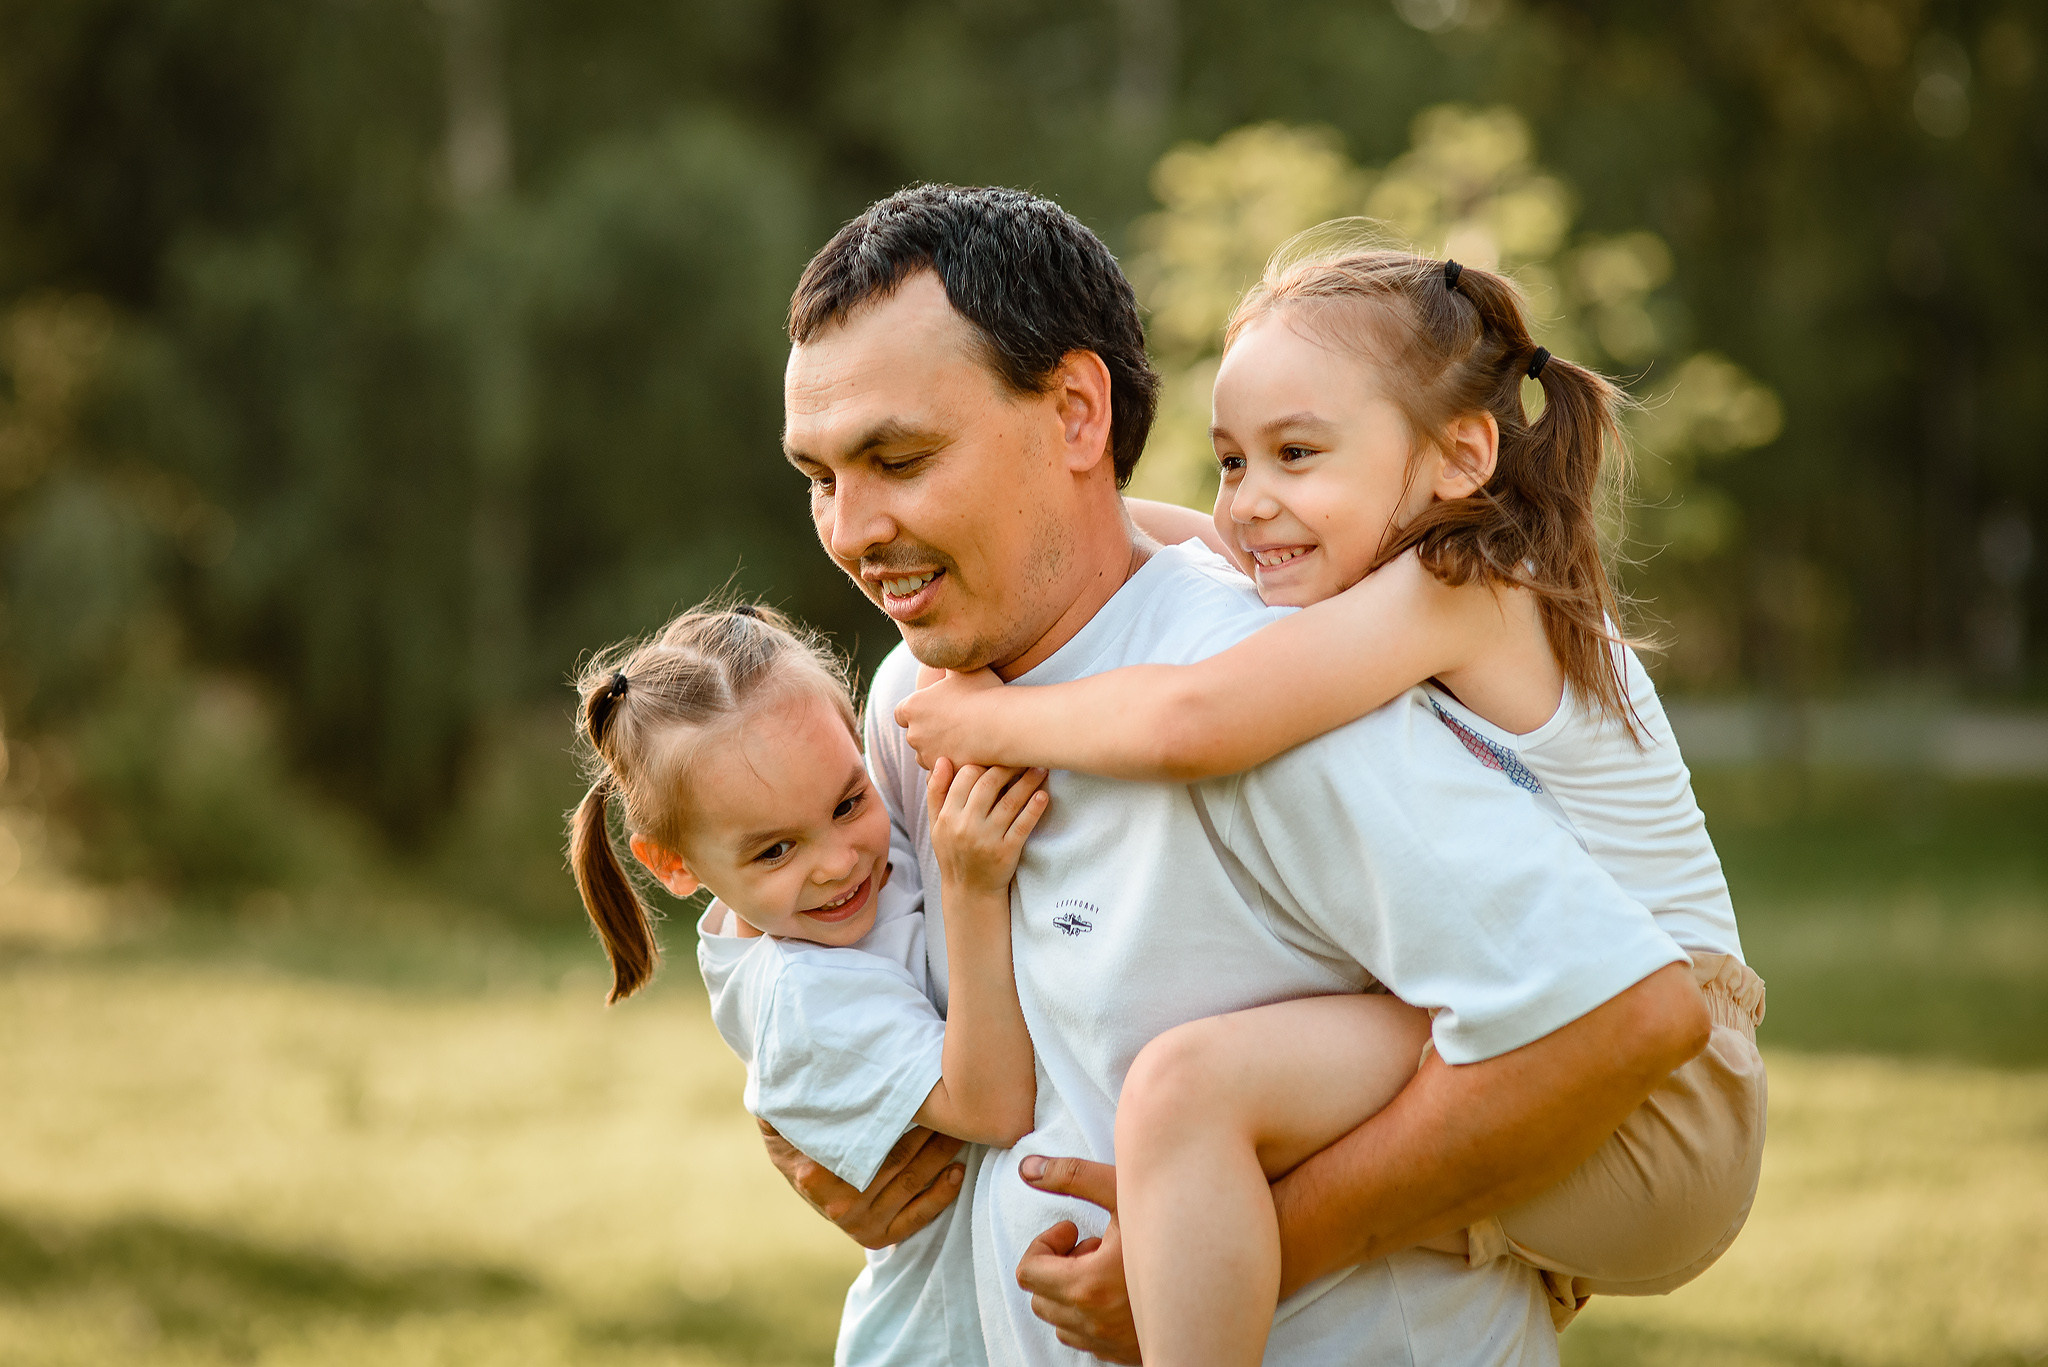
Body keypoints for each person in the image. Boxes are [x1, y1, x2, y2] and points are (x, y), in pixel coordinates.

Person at [775, 183, 1712, 1366]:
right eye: (817, 476)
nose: (853, 526)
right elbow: (867, 979)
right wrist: (819, 1123)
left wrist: (1221, 1257)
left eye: (897, 457)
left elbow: (1614, 1008)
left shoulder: (1286, 693)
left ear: (1074, 411)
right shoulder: (915, 696)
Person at [564, 601, 1048, 1364]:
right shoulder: (801, 994)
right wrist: (972, 886)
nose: (839, 860)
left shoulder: (825, 876)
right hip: (946, 1343)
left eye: (849, 801)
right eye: (775, 850)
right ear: (675, 865)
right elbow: (991, 1107)